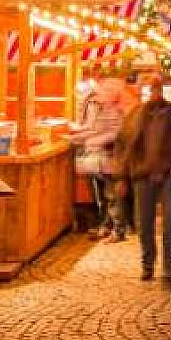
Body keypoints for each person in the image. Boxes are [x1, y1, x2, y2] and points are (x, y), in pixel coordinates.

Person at [116, 73, 171, 288]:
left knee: (170, 225)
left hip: (170, 175)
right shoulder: (134, 116)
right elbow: (123, 146)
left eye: (156, 89)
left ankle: (168, 270)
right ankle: (148, 264)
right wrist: (122, 176)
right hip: (142, 176)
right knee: (144, 224)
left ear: (162, 91)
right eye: (149, 89)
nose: (153, 93)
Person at [71, 77, 130, 241]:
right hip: (96, 159)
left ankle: (118, 229)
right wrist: (80, 137)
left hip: (107, 158)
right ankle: (106, 225)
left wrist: (85, 138)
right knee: (102, 196)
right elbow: (93, 129)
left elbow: (114, 133)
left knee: (111, 195)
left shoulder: (113, 110)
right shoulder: (101, 107)